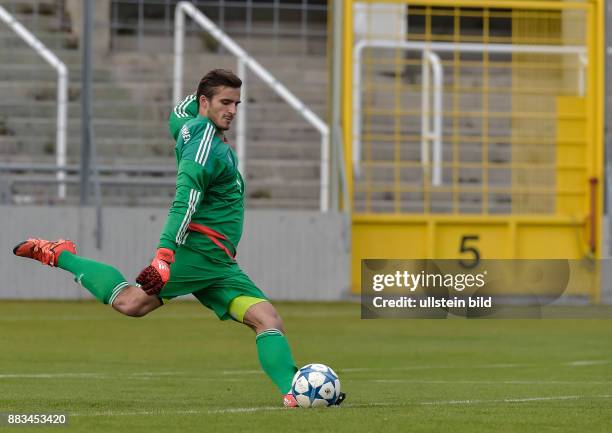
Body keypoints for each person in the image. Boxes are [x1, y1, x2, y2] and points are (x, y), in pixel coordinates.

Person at [13, 69, 344, 408]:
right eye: (225, 102)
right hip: (198, 253)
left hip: (219, 263)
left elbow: (179, 109)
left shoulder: (188, 123)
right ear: (205, 102)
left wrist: (202, 96)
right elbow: (184, 201)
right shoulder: (203, 149)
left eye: (236, 103)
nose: (232, 110)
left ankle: (293, 392)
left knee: (267, 319)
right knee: (131, 303)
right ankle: (60, 254)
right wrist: (164, 255)